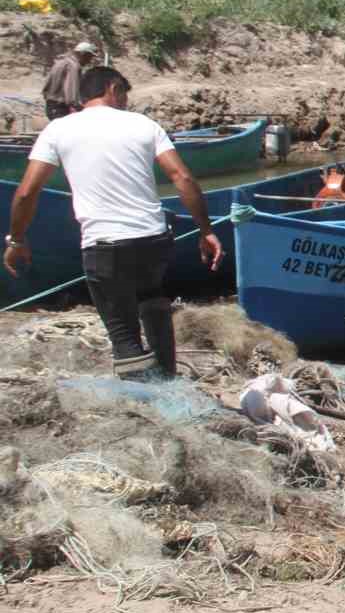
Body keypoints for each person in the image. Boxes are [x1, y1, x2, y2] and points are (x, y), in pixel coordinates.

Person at [4, 66, 225, 380]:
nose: (124, 102)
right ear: (112, 88)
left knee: (123, 332)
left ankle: (151, 402)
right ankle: (167, 377)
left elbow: (27, 193)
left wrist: (16, 239)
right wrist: (206, 231)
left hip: (104, 245)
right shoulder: (144, 124)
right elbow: (183, 178)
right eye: (124, 94)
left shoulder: (58, 129)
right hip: (153, 239)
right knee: (152, 297)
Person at [41, 41, 99, 120]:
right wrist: (83, 109)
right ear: (83, 54)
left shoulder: (62, 62)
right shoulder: (73, 66)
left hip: (51, 105)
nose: (89, 61)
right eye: (89, 57)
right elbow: (71, 94)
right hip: (60, 108)